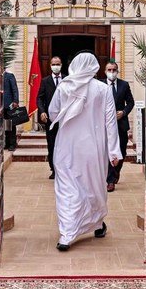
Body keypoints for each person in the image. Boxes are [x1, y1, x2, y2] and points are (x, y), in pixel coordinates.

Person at [49, 53, 121, 251]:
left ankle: (68, 233)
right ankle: (95, 224)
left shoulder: (64, 86)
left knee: (67, 189)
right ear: (94, 67)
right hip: (93, 148)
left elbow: (53, 112)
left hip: (67, 147)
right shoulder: (102, 88)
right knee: (93, 187)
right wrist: (114, 152)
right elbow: (110, 122)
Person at [103, 62, 134, 192]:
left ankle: (116, 171)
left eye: (114, 69)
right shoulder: (99, 85)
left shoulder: (124, 85)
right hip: (105, 124)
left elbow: (130, 102)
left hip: (120, 124)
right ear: (105, 71)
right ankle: (110, 180)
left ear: (117, 71)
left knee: (121, 150)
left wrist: (124, 112)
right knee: (108, 151)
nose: (112, 72)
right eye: (109, 69)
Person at [36, 56, 64, 179]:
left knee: (65, 144)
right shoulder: (45, 81)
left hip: (64, 119)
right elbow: (39, 98)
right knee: (52, 144)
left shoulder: (67, 80)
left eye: (57, 64)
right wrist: (42, 111)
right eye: (53, 64)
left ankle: (65, 168)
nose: (56, 66)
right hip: (50, 120)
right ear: (50, 65)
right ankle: (53, 168)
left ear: (61, 65)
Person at [2, 69, 19, 151]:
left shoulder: (9, 75)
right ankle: (7, 143)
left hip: (10, 104)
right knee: (5, 126)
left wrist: (16, 101)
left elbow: (14, 89)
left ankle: (12, 143)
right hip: (1, 106)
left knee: (11, 125)